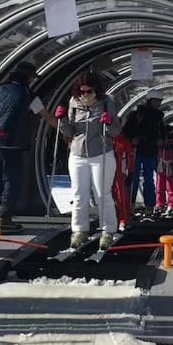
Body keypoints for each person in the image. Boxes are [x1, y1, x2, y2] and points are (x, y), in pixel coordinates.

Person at [0, 61, 56, 233]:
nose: (32, 81)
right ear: (27, 78)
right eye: (32, 78)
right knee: (11, 180)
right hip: (11, 144)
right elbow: (48, 118)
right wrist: (67, 131)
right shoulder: (29, 96)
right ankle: (5, 218)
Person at [58, 72, 122, 249]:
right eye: (81, 91)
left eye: (88, 91)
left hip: (101, 153)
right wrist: (62, 120)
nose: (84, 94)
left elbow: (116, 131)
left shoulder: (107, 101)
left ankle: (108, 230)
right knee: (79, 195)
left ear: (97, 90)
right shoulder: (74, 102)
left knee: (102, 193)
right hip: (78, 154)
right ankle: (79, 229)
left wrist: (108, 122)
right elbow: (69, 133)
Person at [122, 88, 165, 217]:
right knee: (133, 178)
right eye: (156, 101)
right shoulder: (137, 114)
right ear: (149, 100)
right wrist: (133, 139)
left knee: (149, 180)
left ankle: (149, 206)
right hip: (137, 150)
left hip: (150, 151)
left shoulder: (159, 117)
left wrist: (161, 139)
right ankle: (130, 206)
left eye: (159, 101)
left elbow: (162, 132)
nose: (158, 103)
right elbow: (126, 130)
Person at [155, 125, 173, 216]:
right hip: (162, 165)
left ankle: (172, 204)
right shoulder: (161, 143)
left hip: (169, 166)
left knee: (170, 186)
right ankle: (160, 203)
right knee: (159, 185)